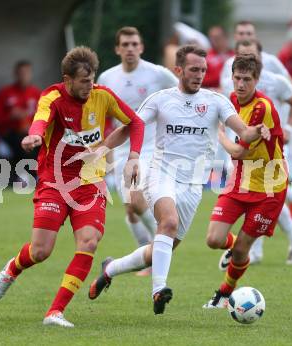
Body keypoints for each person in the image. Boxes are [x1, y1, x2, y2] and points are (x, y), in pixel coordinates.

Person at [88, 45, 271, 315]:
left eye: (203, 70)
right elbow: (131, 127)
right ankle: (158, 289)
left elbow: (242, 130)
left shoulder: (216, 101)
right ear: (178, 70)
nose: (199, 75)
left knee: (163, 248)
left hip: (193, 186)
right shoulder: (161, 99)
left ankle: (110, 269)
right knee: (169, 222)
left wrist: (256, 131)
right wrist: (100, 149)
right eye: (194, 69)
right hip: (161, 174)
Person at [0, 46, 145, 328]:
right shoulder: (53, 96)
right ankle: (12, 269)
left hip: (90, 182)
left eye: (92, 79)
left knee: (89, 242)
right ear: (67, 78)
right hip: (55, 181)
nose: (90, 85)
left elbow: (135, 122)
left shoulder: (102, 96)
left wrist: (133, 157)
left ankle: (55, 312)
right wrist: (34, 137)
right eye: (84, 81)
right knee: (41, 251)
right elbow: (39, 120)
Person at [203, 54, 288, 308]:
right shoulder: (231, 100)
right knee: (213, 240)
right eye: (237, 78)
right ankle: (233, 248)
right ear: (231, 77)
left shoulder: (262, 107)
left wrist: (218, 134)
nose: (240, 84)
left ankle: (224, 293)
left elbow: (239, 151)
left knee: (242, 251)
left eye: (247, 80)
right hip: (240, 181)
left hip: (269, 190)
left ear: (257, 80)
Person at [97, 27, 178, 276]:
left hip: (151, 147)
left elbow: (181, 91)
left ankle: (164, 242)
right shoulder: (107, 78)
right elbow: (101, 115)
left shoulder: (158, 74)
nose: (130, 48)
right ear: (117, 49)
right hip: (122, 150)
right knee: (131, 207)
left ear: (141, 47)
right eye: (125, 44)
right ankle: (149, 253)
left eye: (134, 44)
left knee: (135, 197)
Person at [220, 40, 292, 265]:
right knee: (262, 196)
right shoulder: (231, 75)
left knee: (266, 194)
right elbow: (227, 106)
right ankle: (291, 238)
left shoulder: (275, 78)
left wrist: (288, 128)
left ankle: (257, 249)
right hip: (242, 143)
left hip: (269, 145)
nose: (241, 83)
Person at [0, 60, 41, 181]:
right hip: (10, 133)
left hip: (32, 132)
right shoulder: (5, 93)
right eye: (21, 73)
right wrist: (10, 117)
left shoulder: (37, 93)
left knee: (40, 141)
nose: (24, 76)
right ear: (16, 74)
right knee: (22, 140)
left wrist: (32, 126)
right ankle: (24, 175)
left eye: (27, 73)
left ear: (31, 74)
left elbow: (44, 119)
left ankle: (38, 175)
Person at [219, 20, 291, 91]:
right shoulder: (229, 63)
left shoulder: (271, 60)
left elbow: (289, 84)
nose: (245, 37)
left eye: (249, 33)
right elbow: (223, 88)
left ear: (255, 35)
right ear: (235, 36)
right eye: (241, 33)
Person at [202, 26, 234, 90]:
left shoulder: (234, 55)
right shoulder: (205, 56)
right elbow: (201, 77)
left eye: (217, 37)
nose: (213, 40)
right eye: (211, 37)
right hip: (209, 91)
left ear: (225, 37)